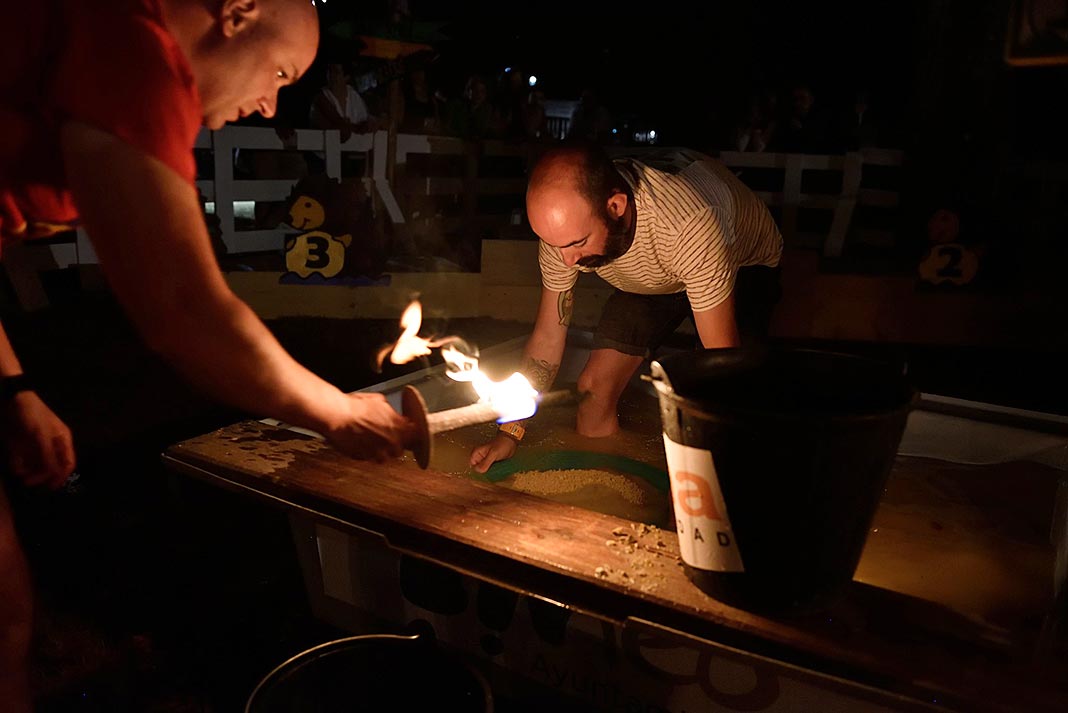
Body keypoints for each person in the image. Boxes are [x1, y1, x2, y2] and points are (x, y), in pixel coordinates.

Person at [0, 1, 412, 710]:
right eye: (279, 71)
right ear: (239, 11)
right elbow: (182, 310)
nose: (269, 103)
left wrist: (14, 392)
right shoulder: (126, 39)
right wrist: (336, 411)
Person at [469, 143, 783, 474]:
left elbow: (721, 367)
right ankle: (605, 488)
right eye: (555, 245)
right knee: (593, 390)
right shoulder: (563, 236)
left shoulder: (688, 226)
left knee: (719, 400)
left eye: (577, 243)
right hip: (651, 272)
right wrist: (510, 433)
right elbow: (547, 338)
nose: (567, 261)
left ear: (616, 206)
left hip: (743, 263)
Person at [309, 61, 377, 142]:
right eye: (329, 71)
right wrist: (351, 126)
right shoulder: (321, 97)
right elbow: (341, 130)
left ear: (346, 77)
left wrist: (368, 123)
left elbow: (365, 124)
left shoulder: (353, 95)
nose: (331, 76)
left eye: (336, 72)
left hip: (352, 149)